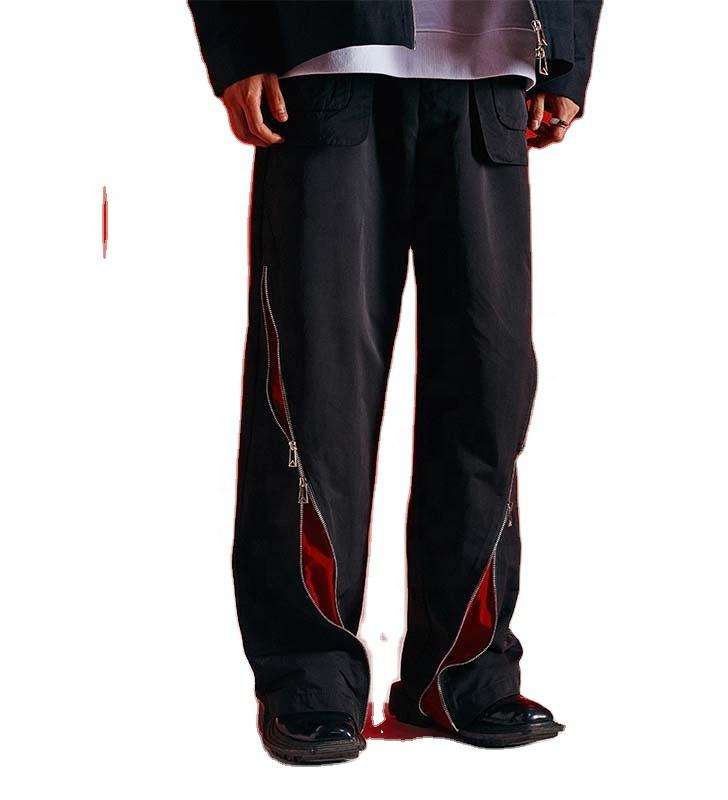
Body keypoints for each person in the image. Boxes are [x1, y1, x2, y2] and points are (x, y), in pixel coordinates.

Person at [189, 0, 601, 765]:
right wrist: (238, 45)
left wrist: (567, 54)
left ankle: (462, 676)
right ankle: (311, 680)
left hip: (493, 68)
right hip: (326, 62)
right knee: (316, 388)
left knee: (488, 389)